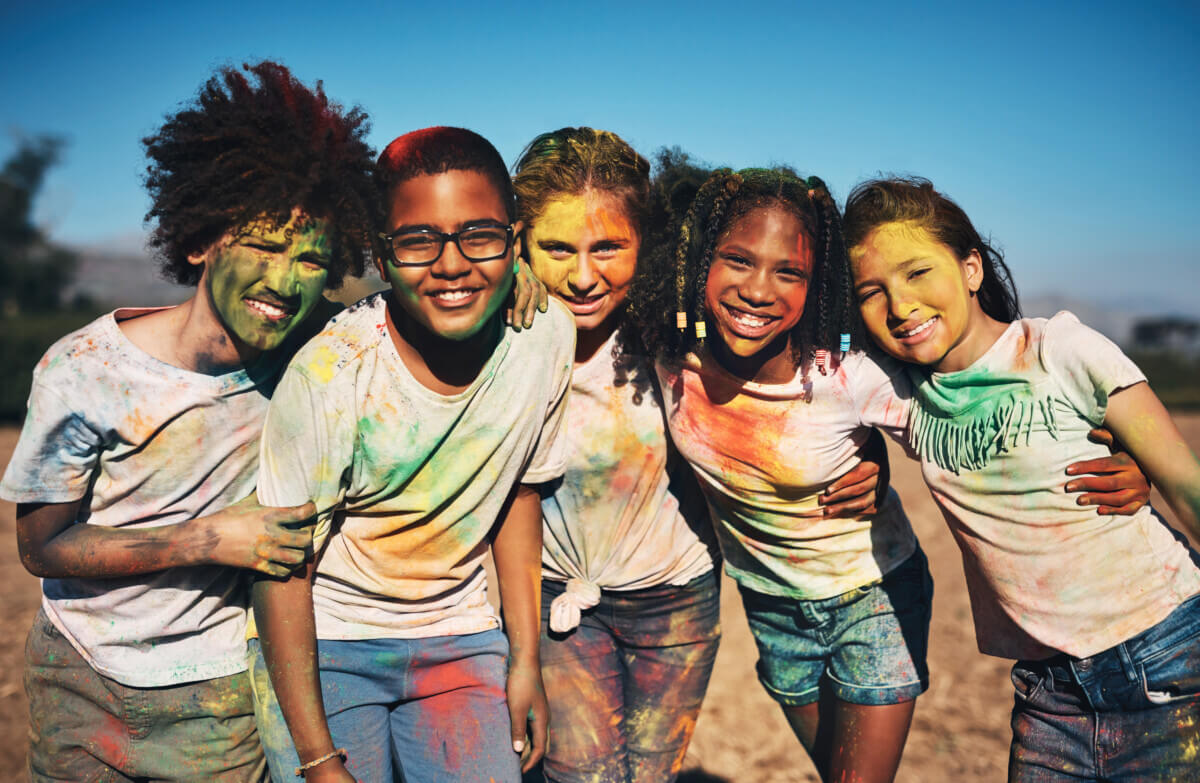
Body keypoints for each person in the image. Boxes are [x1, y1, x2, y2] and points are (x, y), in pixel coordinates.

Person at [627, 166, 1150, 783]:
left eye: (789, 272)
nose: (758, 290)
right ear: (693, 260)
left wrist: (1128, 448)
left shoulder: (849, 377)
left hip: (874, 597)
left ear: (818, 286)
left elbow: (986, 420)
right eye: (737, 261)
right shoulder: (662, 356)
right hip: (771, 607)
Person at [1, 61, 380, 782]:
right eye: (265, 245)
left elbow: (424, 306)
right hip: (80, 679)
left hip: (222, 696)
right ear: (202, 238)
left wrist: (516, 273)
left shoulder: (313, 354)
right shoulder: (85, 369)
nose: (284, 279)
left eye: (310, 259)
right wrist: (210, 538)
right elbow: (41, 546)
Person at [512, 128, 886, 783]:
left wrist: (871, 455)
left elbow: (792, 399)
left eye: (608, 247)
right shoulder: (501, 340)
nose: (582, 273)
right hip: (558, 603)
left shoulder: (671, 333)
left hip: (676, 604)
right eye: (555, 248)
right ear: (521, 242)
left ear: (647, 245)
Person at [843, 176, 1200, 782]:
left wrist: (1138, 468)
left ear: (972, 268)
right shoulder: (899, 398)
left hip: (1166, 658)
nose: (900, 306)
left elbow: (1186, 489)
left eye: (917, 272)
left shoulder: (1059, 349)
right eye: (872, 291)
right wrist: (867, 457)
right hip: (1047, 695)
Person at [249, 126, 572, 783]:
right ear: (381, 251)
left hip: (459, 634)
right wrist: (316, 759)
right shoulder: (331, 374)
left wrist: (525, 661)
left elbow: (517, 491)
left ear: (515, 238)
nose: (452, 264)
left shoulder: (544, 338)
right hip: (326, 642)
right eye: (419, 240)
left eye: (479, 234)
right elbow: (281, 571)